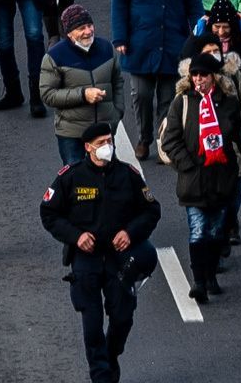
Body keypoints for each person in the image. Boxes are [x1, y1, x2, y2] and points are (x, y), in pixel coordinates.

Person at [39, 121, 160, 383]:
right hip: (87, 259)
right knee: (92, 323)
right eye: (101, 143)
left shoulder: (127, 175)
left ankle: (111, 354)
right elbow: (48, 212)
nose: (108, 146)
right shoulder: (70, 177)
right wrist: (76, 236)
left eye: (110, 141)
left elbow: (151, 210)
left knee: (122, 316)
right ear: (87, 148)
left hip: (119, 259)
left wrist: (130, 232)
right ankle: (101, 376)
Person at [156, 56, 241, 301]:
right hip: (193, 181)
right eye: (195, 75)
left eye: (203, 75)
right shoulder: (182, 103)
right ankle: (198, 282)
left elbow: (239, 137)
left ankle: (210, 276)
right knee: (198, 231)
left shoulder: (228, 103)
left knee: (216, 231)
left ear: (214, 77)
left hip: (221, 179)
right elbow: (170, 140)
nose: (198, 80)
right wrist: (188, 165)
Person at [111, 0, 202, 151]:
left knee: (167, 98)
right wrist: (120, 37)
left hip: (173, 43)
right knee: (141, 95)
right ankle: (144, 137)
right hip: (139, 43)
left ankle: (164, 142)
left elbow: (194, 4)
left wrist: (199, 37)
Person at [37, 4, 125, 166]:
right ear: (69, 33)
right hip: (73, 135)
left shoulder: (106, 48)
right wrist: (83, 94)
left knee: (109, 182)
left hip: (103, 131)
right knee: (78, 186)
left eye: (90, 25)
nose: (88, 31)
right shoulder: (54, 57)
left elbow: (118, 81)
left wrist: (117, 112)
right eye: (81, 28)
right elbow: (48, 95)